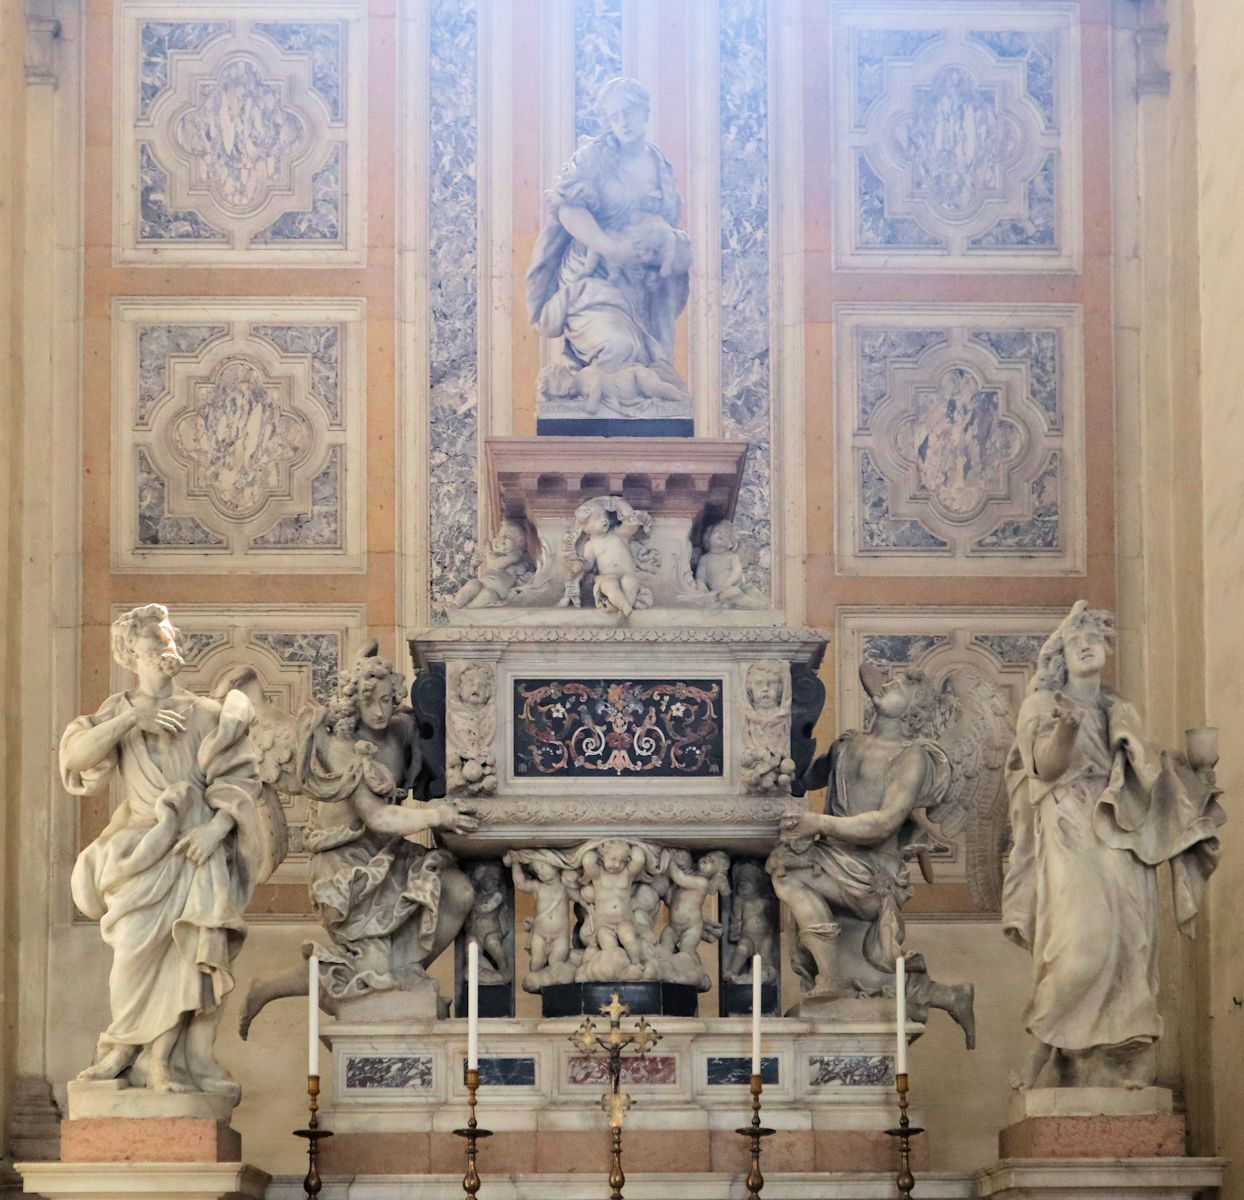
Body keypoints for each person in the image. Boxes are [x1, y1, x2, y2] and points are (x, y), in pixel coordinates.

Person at [1002, 602, 1224, 1087]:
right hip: (1070, 827)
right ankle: (1040, 1055)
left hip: (1124, 834)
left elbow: (1151, 776)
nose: (1086, 645)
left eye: (1094, 640)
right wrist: (1066, 727)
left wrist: (1194, 779)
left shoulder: (1121, 710)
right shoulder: (1042, 705)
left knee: (1131, 945)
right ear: (1061, 656)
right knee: (1082, 945)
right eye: (1075, 641)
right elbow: (1044, 767)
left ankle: (1111, 1064)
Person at [61, 605, 270, 1100]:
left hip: (197, 854)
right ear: (129, 651)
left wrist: (216, 830)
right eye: (157, 640)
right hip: (141, 855)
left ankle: (162, 1062)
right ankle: (121, 1047)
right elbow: (76, 760)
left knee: (190, 959)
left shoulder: (209, 715)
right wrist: (135, 716)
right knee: (133, 953)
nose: (168, 646)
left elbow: (241, 783)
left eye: (171, 637)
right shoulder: (117, 714)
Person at [240, 644, 478, 1038]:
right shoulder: (340, 750)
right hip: (345, 870)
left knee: (458, 891)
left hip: (389, 854)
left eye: (387, 700)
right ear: (355, 703)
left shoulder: (399, 730)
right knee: (369, 977)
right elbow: (379, 816)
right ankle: (268, 987)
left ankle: (407, 970)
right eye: (371, 702)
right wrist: (437, 815)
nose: (382, 711)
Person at [768, 661, 975, 1046]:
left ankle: (829, 979)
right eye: (887, 682)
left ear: (914, 710)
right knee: (872, 976)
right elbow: (807, 778)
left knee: (785, 869)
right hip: (833, 856)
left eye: (897, 687)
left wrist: (818, 825)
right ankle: (947, 995)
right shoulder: (847, 743)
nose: (885, 686)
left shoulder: (912, 758)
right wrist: (782, 767)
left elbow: (883, 823)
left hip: (873, 874)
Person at [525, 76, 691, 411]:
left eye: (628, 112)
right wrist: (608, 246)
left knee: (651, 367)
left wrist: (668, 246)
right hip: (590, 282)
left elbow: (666, 222)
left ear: (645, 112)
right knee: (616, 348)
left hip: (642, 290)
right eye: (614, 117)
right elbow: (567, 208)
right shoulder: (593, 157)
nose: (622, 122)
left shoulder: (659, 166)